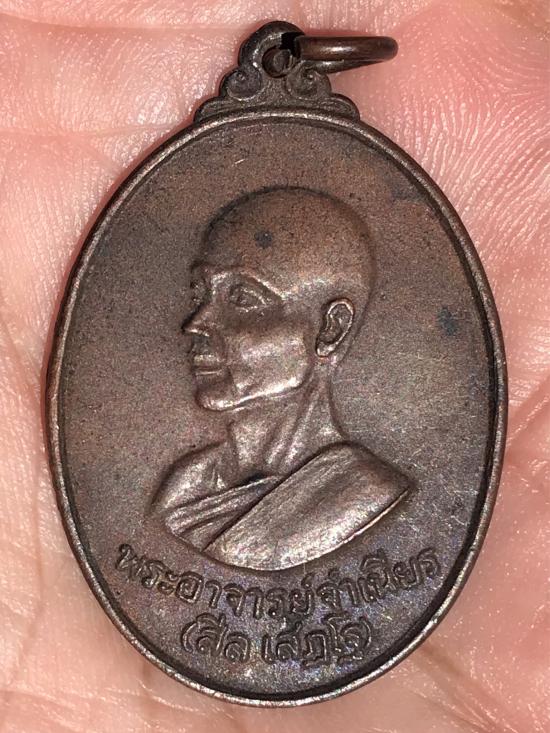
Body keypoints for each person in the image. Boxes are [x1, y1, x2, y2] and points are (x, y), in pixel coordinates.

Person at [153, 187, 412, 569]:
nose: (197, 323)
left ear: (330, 329)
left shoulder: (365, 493)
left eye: (242, 299)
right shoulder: (184, 487)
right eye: (200, 294)